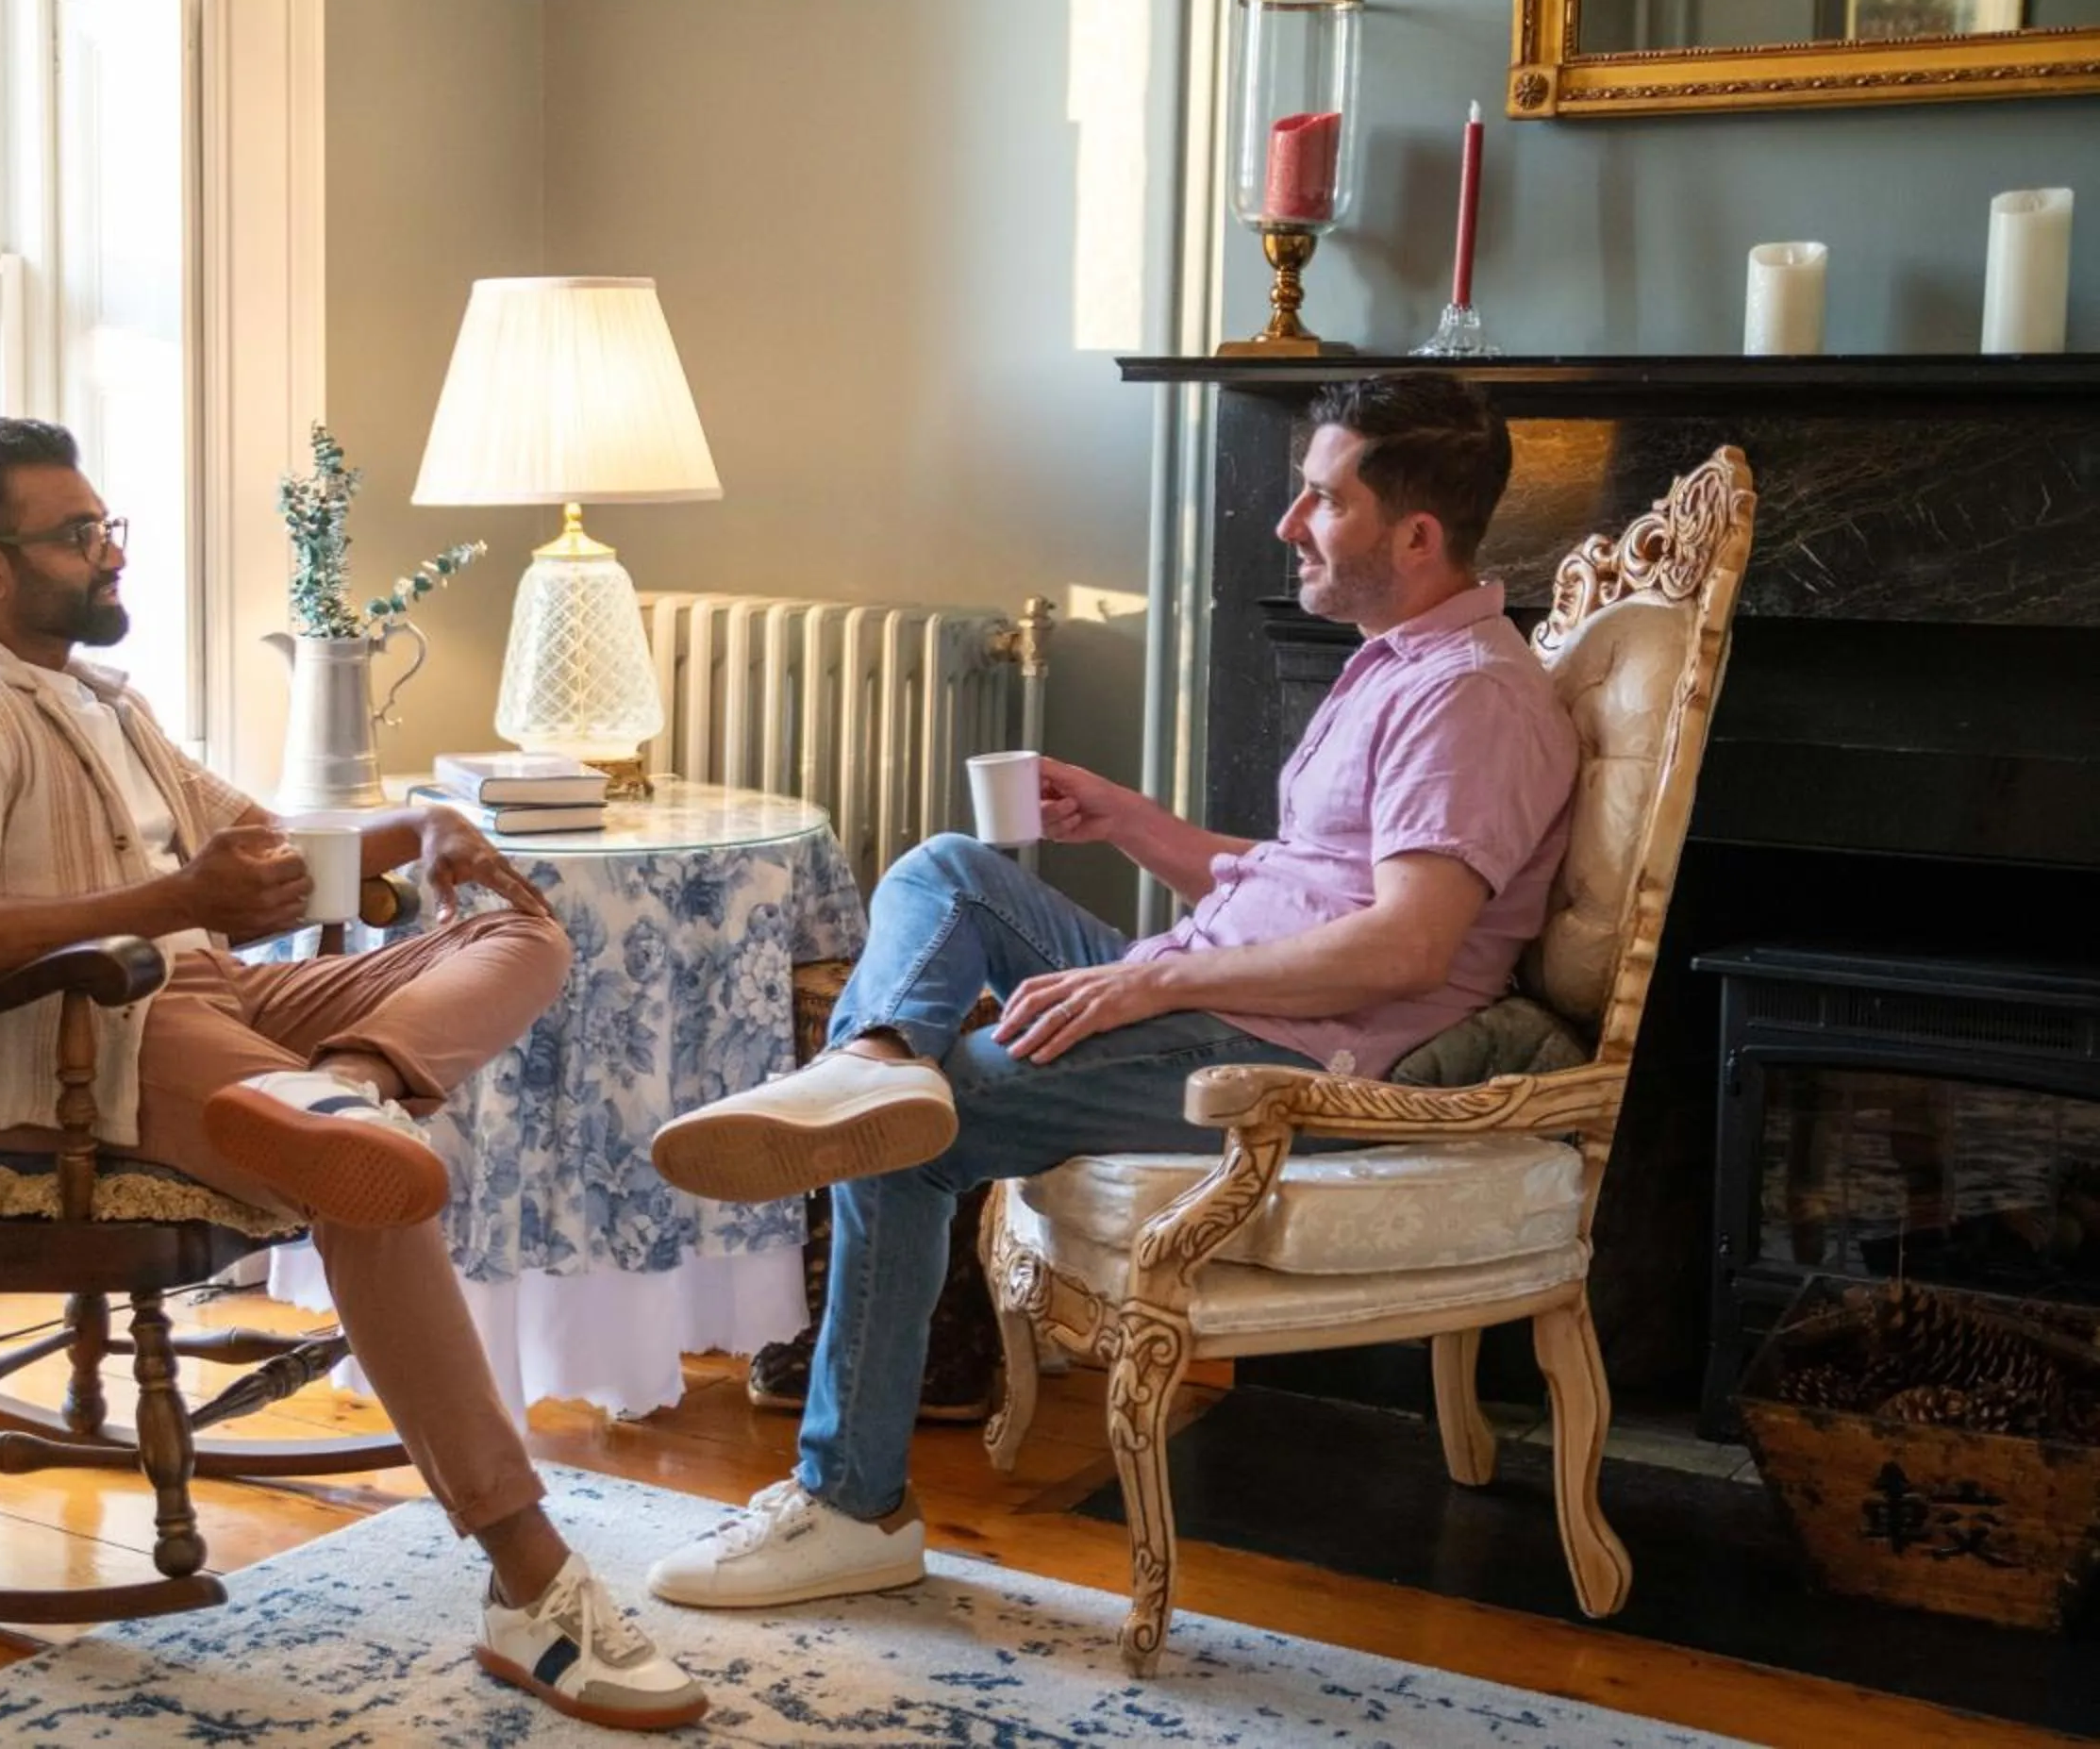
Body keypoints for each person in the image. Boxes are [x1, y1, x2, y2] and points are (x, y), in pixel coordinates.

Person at [642, 372, 1578, 1609]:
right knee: (949, 872)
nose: (1290, 523)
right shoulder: (1398, 663)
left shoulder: (1471, 698)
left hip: (1290, 1051)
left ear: (1413, 535)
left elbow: (1405, 948)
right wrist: (1136, 825)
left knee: (926, 1130)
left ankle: (850, 1502)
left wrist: (1154, 984)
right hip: (1223, 993)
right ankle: (864, 1061)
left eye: (1320, 499)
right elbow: (1312, 878)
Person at [0, 418, 707, 1732]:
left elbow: (263, 845)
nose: (105, 551)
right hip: (90, 1039)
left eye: (103, 525)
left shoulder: (97, 697)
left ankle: (346, 1090)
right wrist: (174, 894)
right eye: (76, 535)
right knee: (376, 1194)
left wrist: (411, 827)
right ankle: (531, 1583)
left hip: (218, 995)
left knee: (518, 929)